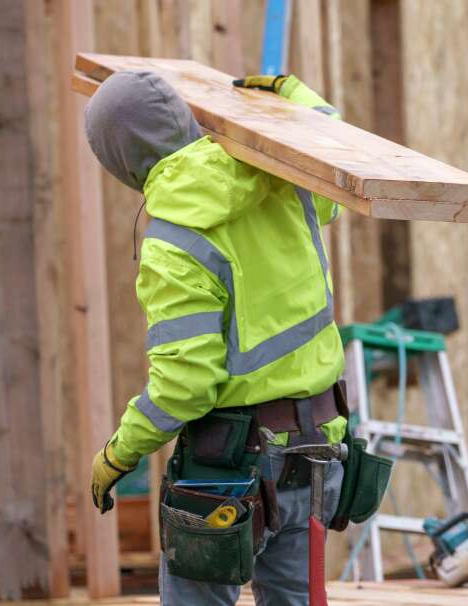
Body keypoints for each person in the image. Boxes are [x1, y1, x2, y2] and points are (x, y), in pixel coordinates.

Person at [85, 71, 350, 605]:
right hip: (322, 452)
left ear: (121, 163)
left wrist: (120, 452)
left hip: (233, 471)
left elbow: (186, 385)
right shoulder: (283, 176)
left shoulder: (174, 240)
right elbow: (336, 152)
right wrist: (290, 94)